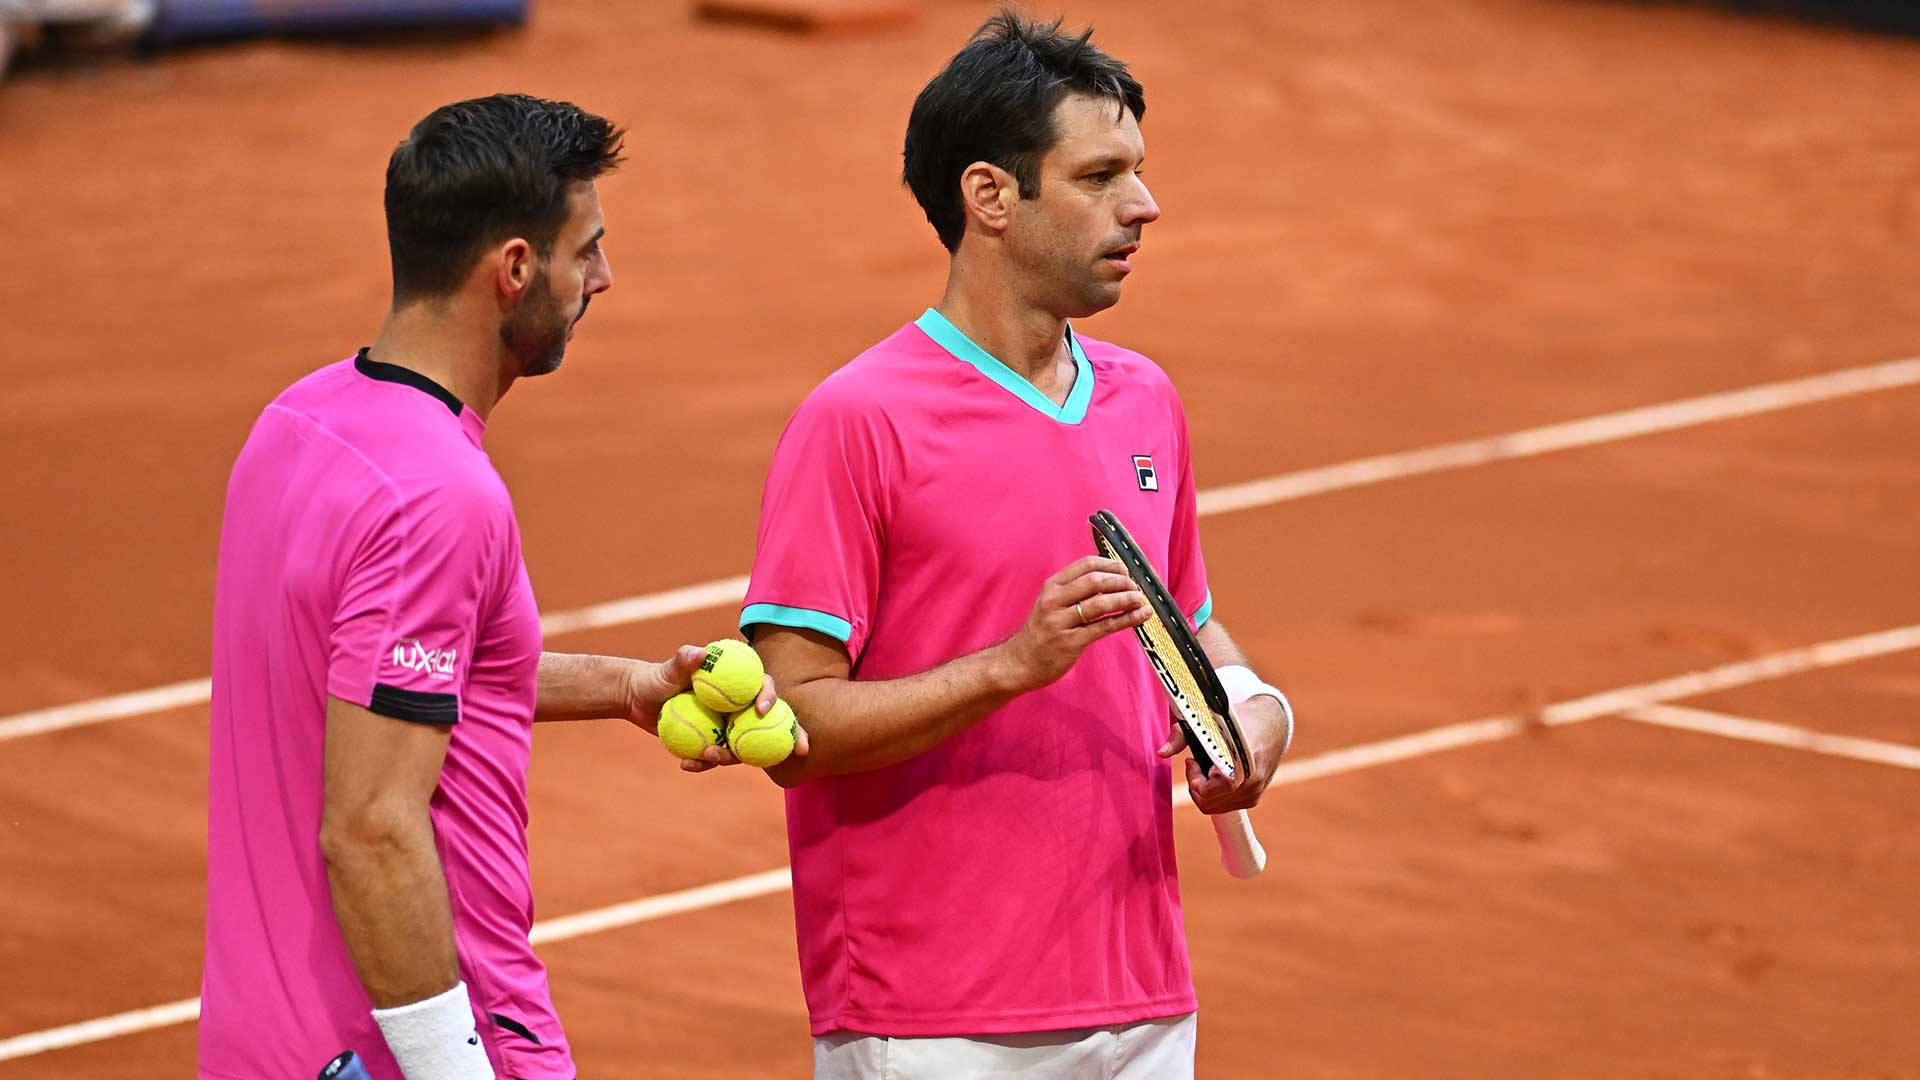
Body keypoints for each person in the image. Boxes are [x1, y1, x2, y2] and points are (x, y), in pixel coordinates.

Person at [739, 11, 1295, 1079]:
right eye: (1100, 177)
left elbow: (1192, 628)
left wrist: (1259, 714)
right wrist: (1009, 666)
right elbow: (792, 723)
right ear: (990, 196)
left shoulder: (1145, 402)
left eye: (1138, 171)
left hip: (1140, 996)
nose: (1145, 206)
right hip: (935, 1017)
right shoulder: (860, 422)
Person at [200, 94, 787, 1080]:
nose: (603, 276)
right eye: (585, 249)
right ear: (516, 269)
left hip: (263, 1042)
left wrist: (626, 686)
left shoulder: (299, 425)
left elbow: (376, 679)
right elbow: (373, 825)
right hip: (408, 1043)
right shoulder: (440, 497)